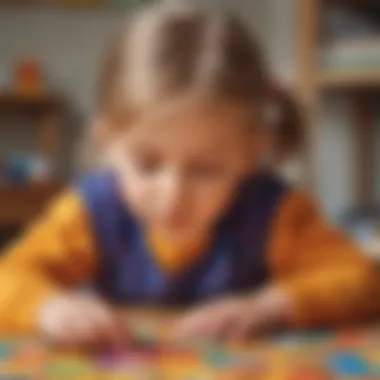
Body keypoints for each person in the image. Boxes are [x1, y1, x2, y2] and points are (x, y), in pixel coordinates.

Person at [0, 2, 377, 347]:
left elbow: (362, 280)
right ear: (107, 145)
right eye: (147, 165)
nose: (172, 194)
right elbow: (8, 276)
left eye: (205, 169)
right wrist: (47, 307)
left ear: (250, 154)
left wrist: (268, 306)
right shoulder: (89, 212)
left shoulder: (276, 213)